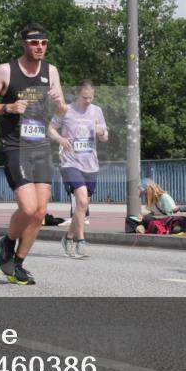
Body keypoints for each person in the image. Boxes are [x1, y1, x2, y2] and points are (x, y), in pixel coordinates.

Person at [0, 24, 66, 285]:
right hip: (15, 146)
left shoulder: (51, 72)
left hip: (40, 145)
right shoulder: (6, 70)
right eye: (34, 42)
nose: (40, 47)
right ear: (24, 44)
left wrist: (59, 104)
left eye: (44, 43)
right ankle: (7, 242)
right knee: (28, 208)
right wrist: (8, 107)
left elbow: (62, 111)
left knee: (40, 212)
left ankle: (17, 263)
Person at [49, 79, 108, 258]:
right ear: (77, 94)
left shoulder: (97, 111)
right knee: (81, 201)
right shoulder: (65, 110)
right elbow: (51, 129)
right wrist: (61, 139)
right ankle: (80, 240)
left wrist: (101, 132)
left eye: (91, 97)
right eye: (84, 97)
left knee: (82, 206)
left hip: (90, 164)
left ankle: (68, 237)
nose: (88, 100)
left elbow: (105, 137)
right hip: (70, 163)